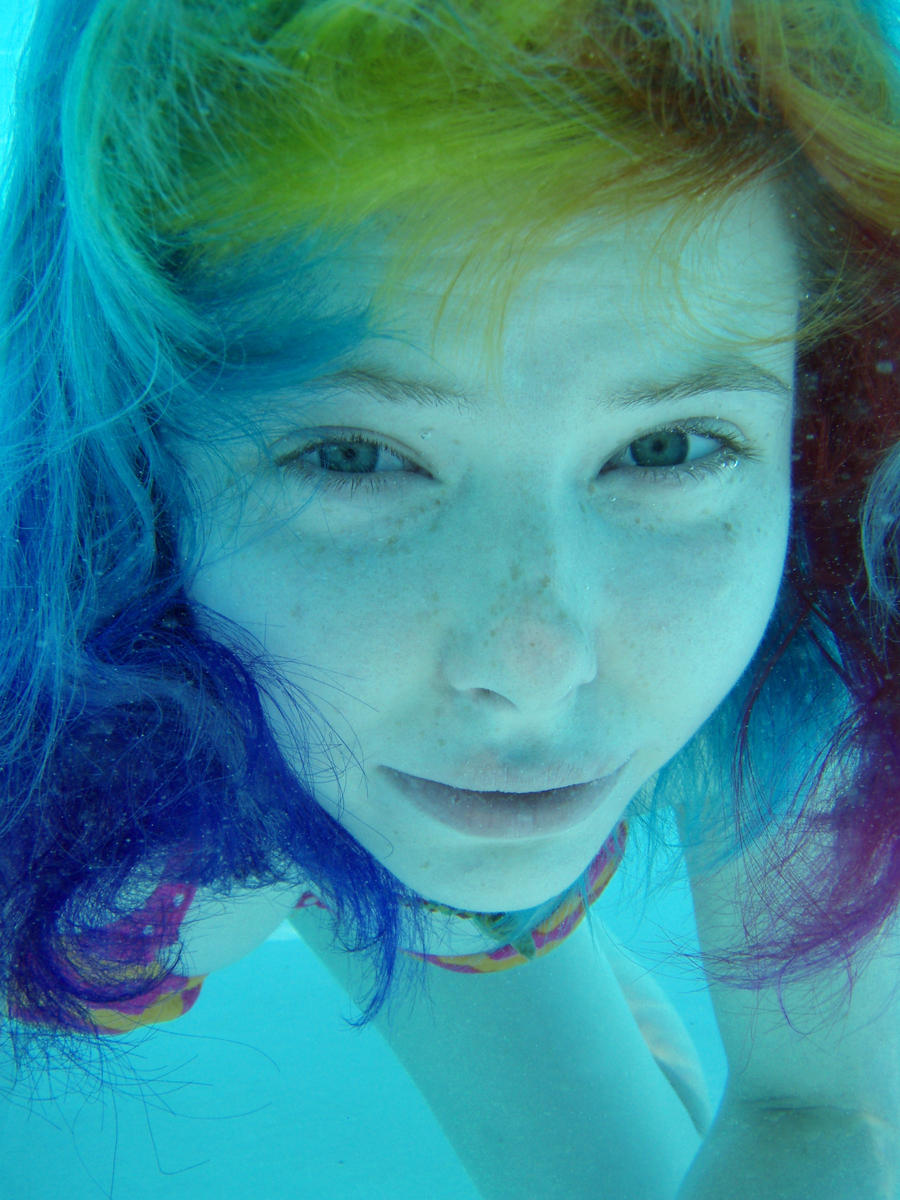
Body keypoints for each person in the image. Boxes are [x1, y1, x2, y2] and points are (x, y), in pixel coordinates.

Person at [1, 1, 898, 1196]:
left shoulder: (801, 635)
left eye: (673, 447)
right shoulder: (46, 762)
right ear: (141, 464)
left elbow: (813, 1109)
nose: (534, 666)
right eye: (355, 457)